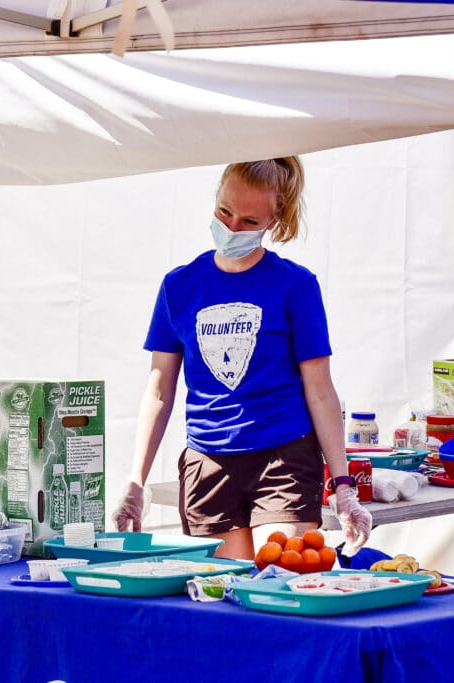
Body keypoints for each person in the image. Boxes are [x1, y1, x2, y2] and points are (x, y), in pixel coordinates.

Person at [113, 157, 372, 560]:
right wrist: (135, 482)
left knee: (281, 578)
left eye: (250, 222)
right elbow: (160, 390)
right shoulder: (179, 285)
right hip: (208, 460)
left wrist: (343, 487)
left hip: (282, 455)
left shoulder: (295, 286)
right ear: (215, 197)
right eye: (225, 212)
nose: (233, 227)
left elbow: (320, 391)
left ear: (275, 220)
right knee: (226, 593)